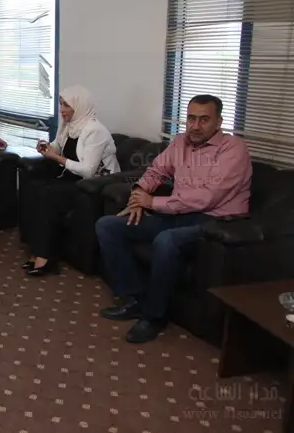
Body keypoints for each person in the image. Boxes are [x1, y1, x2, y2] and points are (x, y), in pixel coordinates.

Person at [96, 94, 252, 344]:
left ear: (219, 122)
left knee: (166, 241)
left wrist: (152, 202)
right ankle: (134, 298)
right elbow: (156, 170)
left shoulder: (233, 149)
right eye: (191, 118)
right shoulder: (180, 142)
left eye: (204, 120)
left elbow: (208, 198)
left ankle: (154, 316)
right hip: (176, 213)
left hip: (213, 223)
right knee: (108, 226)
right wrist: (138, 194)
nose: (195, 126)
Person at [24, 85, 120, 277]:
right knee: (34, 188)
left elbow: (88, 170)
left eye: (67, 105)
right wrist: (46, 147)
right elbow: (58, 147)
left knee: (48, 194)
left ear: (80, 105)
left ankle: (45, 257)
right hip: (73, 179)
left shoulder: (95, 131)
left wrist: (55, 157)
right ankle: (37, 250)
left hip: (95, 185)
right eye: (61, 104)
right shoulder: (70, 125)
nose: (62, 110)